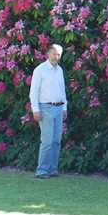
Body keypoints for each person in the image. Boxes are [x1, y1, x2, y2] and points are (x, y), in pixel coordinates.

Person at [29, 43, 68, 178]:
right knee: (47, 141)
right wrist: (35, 110)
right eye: (54, 53)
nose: (56, 56)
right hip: (45, 108)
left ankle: (52, 169)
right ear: (48, 54)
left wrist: (64, 107)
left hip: (58, 108)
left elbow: (62, 90)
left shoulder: (60, 70)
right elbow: (33, 92)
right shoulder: (40, 70)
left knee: (56, 140)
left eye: (59, 54)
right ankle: (42, 170)